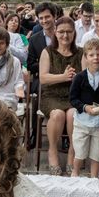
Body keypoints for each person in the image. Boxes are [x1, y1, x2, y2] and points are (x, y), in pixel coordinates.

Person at [39, 17, 85, 175]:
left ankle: (73, 151)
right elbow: (43, 78)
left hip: (73, 96)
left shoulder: (81, 52)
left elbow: (86, 78)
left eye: (69, 32)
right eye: (61, 32)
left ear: (74, 33)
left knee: (73, 115)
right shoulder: (48, 52)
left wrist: (77, 77)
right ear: (55, 33)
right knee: (58, 114)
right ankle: (52, 151)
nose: (65, 35)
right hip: (51, 95)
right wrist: (64, 77)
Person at [69, 39, 99, 177]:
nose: (95, 58)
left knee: (97, 154)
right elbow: (73, 99)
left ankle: (93, 178)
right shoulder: (79, 78)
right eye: (91, 55)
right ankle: (75, 173)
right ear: (85, 57)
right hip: (81, 122)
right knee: (80, 152)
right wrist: (85, 108)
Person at [26, 2, 57, 148]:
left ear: (54, 16)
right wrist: (44, 65)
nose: (44, 21)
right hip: (42, 79)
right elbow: (30, 65)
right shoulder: (34, 39)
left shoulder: (63, 35)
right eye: (41, 18)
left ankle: (64, 136)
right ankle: (34, 133)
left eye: (47, 17)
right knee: (38, 96)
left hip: (62, 77)